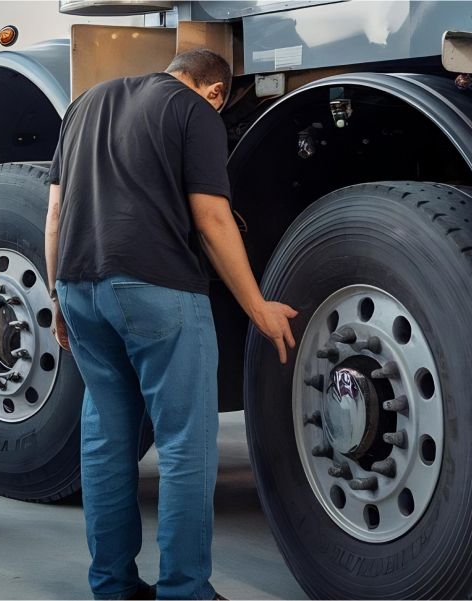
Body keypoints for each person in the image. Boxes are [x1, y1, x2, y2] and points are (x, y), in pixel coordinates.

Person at [44, 48, 297, 600]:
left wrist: (56, 298)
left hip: (78, 285)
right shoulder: (195, 111)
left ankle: (112, 586)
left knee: (107, 439)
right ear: (215, 91)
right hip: (157, 289)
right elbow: (210, 217)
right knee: (186, 443)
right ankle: (186, 591)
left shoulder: (83, 105)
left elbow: (56, 213)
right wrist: (258, 307)